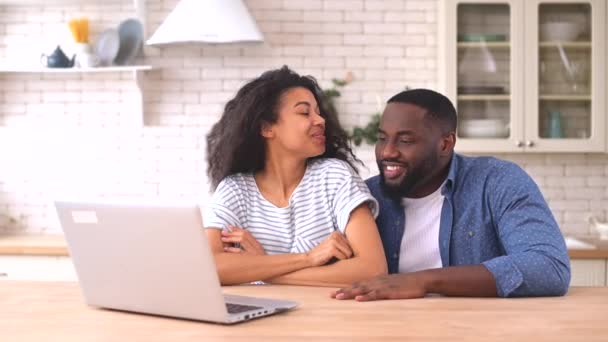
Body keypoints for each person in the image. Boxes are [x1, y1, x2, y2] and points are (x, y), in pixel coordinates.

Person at [332, 89, 570, 301]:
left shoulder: (497, 181)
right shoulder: (364, 198)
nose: (387, 151)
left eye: (405, 140)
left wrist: (421, 281)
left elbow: (548, 266)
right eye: (382, 138)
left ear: (446, 144)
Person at [203, 66, 387, 287]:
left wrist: (262, 268)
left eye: (318, 112)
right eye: (304, 112)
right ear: (267, 128)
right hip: (257, 319)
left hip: (326, 318)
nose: (320, 120)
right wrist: (308, 258)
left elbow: (373, 269)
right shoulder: (235, 190)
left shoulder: (335, 177)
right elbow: (210, 268)